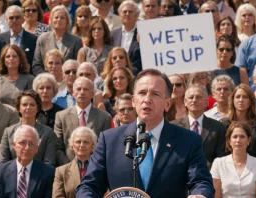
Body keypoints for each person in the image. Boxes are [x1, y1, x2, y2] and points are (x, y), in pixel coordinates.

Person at [76, 69, 214, 197]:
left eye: (155, 94)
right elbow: (89, 186)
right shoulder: (109, 140)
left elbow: (201, 182)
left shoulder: (188, 140)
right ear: (134, 100)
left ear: (167, 104)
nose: (147, 99)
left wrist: (200, 195)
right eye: (142, 93)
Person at [54, 77, 111, 166]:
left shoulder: (104, 117)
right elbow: (57, 147)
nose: (82, 92)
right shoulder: (61, 116)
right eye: (78, 89)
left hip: (95, 168)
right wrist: (69, 166)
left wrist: (93, 166)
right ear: (73, 93)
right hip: (68, 168)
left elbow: (105, 146)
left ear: (93, 93)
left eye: (86, 89)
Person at [0, 125, 55, 197]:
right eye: (22, 143)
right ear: (14, 145)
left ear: (37, 148)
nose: (27, 148)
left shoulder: (48, 173)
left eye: (31, 144)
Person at [171, 84, 227, 165]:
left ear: (206, 102)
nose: (194, 100)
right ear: (185, 102)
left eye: (198, 97)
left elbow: (221, 158)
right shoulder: (173, 127)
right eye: (191, 97)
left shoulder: (218, 127)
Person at [0, 90, 57, 166]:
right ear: (18, 108)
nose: (28, 107)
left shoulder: (48, 132)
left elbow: (49, 163)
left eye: (32, 105)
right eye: (24, 104)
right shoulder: (8, 132)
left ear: (37, 108)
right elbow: (3, 162)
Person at [220, 84, 256, 166]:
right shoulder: (224, 124)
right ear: (233, 100)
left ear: (250, 101)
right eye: (238, 97)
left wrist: (248, 166)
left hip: (255, 170)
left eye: (245, 97)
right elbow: (221, 152)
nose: (241, 100)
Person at [211, 121, 256, 198]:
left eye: (242, 137)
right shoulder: (219, 163)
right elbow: (216, 195)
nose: (238, 140)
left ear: (249, 140)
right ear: (229, 141)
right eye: (235, 137)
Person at [32, 5, 83, 76]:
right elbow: (36, 65)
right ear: (51, 20)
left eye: (62, 18)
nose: (59, 20)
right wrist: (48, 77)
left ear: (67, 21)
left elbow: (77, 65)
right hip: (46, 80)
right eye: (56, 17)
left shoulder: (76, 41)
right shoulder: (42, 38)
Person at [53, 126, 97, 198]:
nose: (82, 145)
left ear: (92, 146)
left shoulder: (100, 169)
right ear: (72, 145)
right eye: (78, 142)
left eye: (86, 142)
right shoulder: (61, 171)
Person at [0, 6, 37, 71]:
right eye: (11, 18)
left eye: (17, 17)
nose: (14, 20)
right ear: (7, 20)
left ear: (23, 19)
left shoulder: (33, 40)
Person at [111, 0, 142, 74]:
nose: (127, 14)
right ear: (119, 14)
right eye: (124, 12)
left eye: (130, 12)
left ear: (137, 15)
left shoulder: (142, 34)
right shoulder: (112, 35)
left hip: (137, 75)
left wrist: (143, 43)